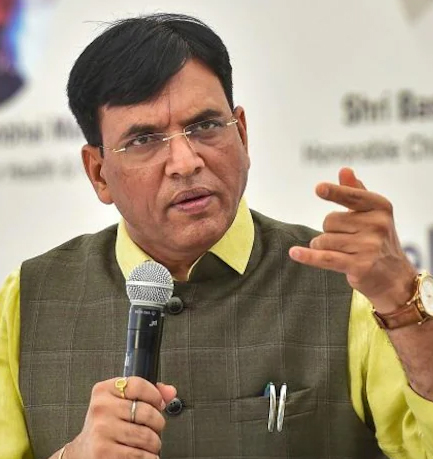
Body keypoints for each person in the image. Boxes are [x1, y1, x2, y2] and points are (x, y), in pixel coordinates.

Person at [1, 12, 432, 459]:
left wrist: (404, 307)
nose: (185, 162)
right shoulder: (27, 300)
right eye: (144, 140)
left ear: (242, 134)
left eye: (205, 126)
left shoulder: (348, 287)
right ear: (98, 173)